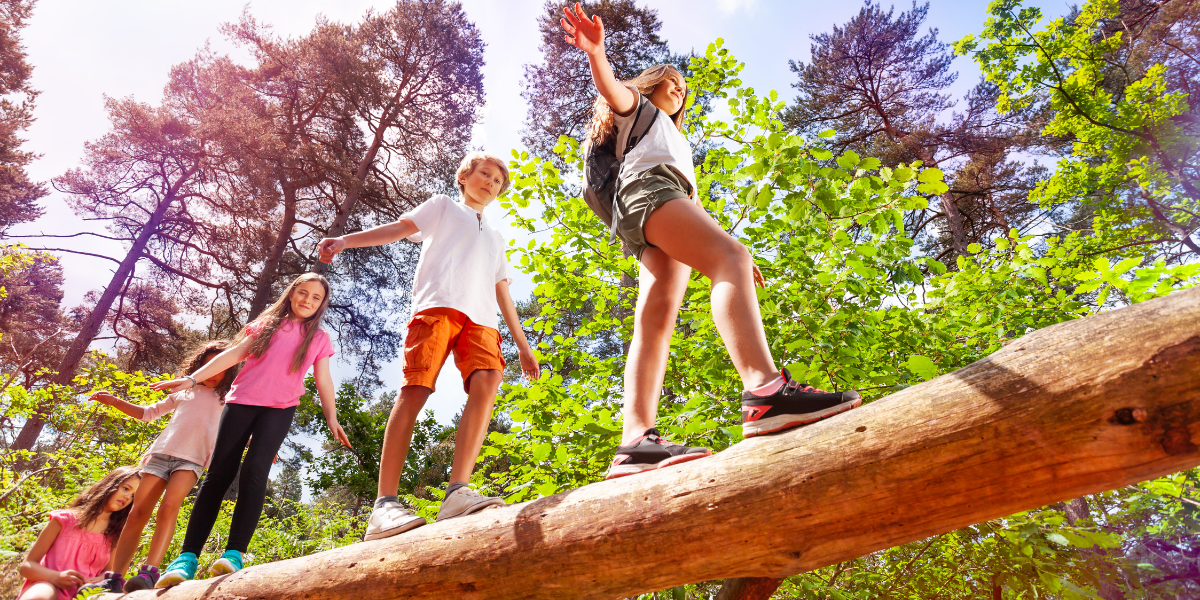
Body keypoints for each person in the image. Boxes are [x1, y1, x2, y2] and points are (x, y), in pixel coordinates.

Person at [559, 3, 861, 479]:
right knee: (728, 260)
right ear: (650, 86)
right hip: (649, 193)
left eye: (683, 88)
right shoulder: (638, 112)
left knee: (656, 319)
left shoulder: (673, 138)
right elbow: (613, 90)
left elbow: (690, 205)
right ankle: (764, 393)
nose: (678, 90)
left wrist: (726, 253)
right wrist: (597, 53)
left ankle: (634, 441)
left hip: (651, 208)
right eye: (670, 82)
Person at [317, 151, 540, 541]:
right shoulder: (442, 207)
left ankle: (457, 492)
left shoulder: (496, 236)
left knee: (488, 383)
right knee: (416, 389)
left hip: (482, 319)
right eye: (484, 174)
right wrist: (345, 241)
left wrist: (523, 345)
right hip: (438, 306)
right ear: (465, 176)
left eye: (498, 181)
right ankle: (384, 505)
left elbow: (502, 291)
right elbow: (400, 229)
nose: (490, 182)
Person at [151, 273, 351, 587]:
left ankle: (233, 554)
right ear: (291, 294)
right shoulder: (266, 326)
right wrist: (191, 380)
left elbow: (324, 380)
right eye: (303, 293)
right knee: (219, 474)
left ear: (321, 304)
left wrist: (332, 417)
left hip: (280, 410)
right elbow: (231, 355)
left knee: (256, 472)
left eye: (315, 297)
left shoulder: (320, 339)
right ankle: (186, 558)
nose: (307, 300)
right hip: (242, 403)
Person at [83, 341, 238, 592]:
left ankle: (149, 572)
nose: (211, 371)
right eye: (205, 364)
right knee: (137, 513)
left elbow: (236, 429)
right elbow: (148, 413)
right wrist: (115, 402)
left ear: (228, 370)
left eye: (217, 367)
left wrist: (259, 444)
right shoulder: (184, 391)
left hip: (192, 460)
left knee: (168, 509)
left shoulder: (229, 398)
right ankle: (114, 577)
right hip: (160, 455)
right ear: (198, 366)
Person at [17, 466, 141, 600]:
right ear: (109, 484)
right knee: (39, 596)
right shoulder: (64, 520)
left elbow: (109, 570)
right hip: (48, 585)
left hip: (87, 593)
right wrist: (55, 577)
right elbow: (27, 567)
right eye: (126, 488)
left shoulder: (115, 533)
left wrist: (99, 579)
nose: (128, 497)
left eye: (133, 496)